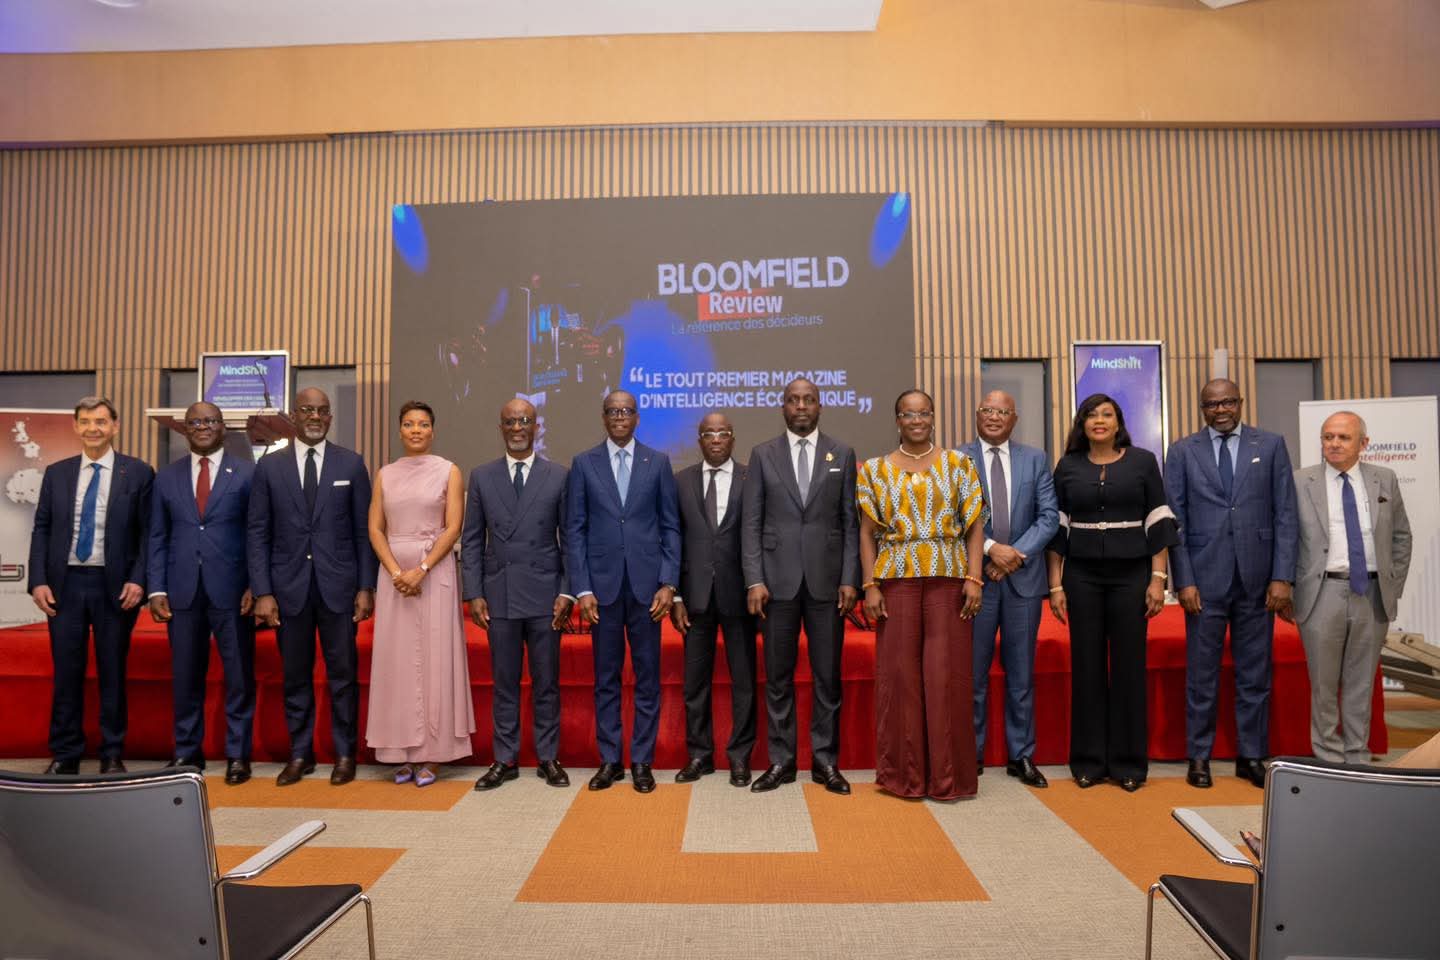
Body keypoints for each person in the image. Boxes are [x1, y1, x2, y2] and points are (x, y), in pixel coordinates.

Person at [1164, 378, 1298, 789]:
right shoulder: (1182, 451)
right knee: (1201, 675)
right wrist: (1184, 580)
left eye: (1227, 402)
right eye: (1211, 404)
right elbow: (1175, 521)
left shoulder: (1270, 445)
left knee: (1255, 674)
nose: (1220, 410)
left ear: (1240, 403)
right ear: (1201, 408)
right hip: (1203, 582)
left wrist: (1282, 576)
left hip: (1258, 580)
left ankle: (1251, 755)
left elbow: (1286, 514)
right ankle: (1199, 756)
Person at [858, 390, 987, 800]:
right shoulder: (874, 470)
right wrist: (869, 585)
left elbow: (975, 526)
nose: (916, 420)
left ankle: (948, 780)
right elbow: (866, 533)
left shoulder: (959, 464)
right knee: (900, 680)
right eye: (908, 414)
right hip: (895, 579)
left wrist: (975, 577)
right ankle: (906, 778)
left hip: (949, 578)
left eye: (923, 413)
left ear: (933, 418)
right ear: (897, 420)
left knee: (945, 677)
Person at [1046, 393, 1177, 792]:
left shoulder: (1143, 462)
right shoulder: (1068, 466)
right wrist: (1055, 584)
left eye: (1107, 414)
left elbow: (1159, 519)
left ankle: (1128, 764)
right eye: (1091, 415)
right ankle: (1088, 762)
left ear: (1118, 422)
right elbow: (1057, 529)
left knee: (1128, 668)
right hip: (1081, 577)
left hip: (1132, 576)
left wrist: (1158, 578)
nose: (1099, 421)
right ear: (1082, 424)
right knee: (1086, 668)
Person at [248, 388, 376, 787]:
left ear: (330, 417)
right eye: (307, 410)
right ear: (295, 416)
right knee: (295, 677)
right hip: (288, 590)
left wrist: (366, 586)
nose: (315, 416)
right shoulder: (270, 467)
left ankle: (344, 754)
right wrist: (263, 591)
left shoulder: (351, 463)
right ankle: (300, 754)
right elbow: (258, 532)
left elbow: (363, 532)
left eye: (322, 411)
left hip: (339, 589)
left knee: (343, 676)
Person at [741, 377, 859, 795]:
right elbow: (751, 523)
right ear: (784, 407)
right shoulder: (762, 455)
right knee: (778, 678)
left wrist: (850, 578)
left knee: (827, 677)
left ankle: (825, 762)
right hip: (776, 584)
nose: (802, 406)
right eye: (794, 400)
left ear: (820, 405)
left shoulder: (841, 453)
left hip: (828, 583)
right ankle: (782, 761)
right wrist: (754, 579)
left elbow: (850, 523)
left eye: (809, 399)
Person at [28, 397, 154, 775]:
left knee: (112, 671)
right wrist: (38, 580)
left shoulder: (138, 472)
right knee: (67, 672)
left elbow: (149, 534)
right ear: (76, 427)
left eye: (100, 421)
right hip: (64, 585)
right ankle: (65, 753)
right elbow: (42, 528)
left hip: (115, 587)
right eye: (85, 422)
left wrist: (139, 579)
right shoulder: (57, 473)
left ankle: (111, 752)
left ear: (115, 426)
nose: (92, 428)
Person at [565, 390, 681, 794]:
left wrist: (669, 583)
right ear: (603, 417)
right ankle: (611, 760)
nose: (619, 417)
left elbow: (671, 527)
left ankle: (642, 761)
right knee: (605, 678)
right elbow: (575, 531)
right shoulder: (583, 463)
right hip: (601, 590)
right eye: (613, 411)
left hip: (649, 590)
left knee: (648, 678)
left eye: (626, 411)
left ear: (637, 418)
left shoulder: (658, 462)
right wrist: (581, 587)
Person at [462, 398, 574, 791]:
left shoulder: (558, 475)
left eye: (524, 420)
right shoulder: (482, 476)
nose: (517, 427)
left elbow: (570, 539)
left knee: (547, 683)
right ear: (501, 427)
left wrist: (567, 591)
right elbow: (472, 540)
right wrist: (473, 591)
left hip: (546, 595)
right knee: (505, 682)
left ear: (535, 426)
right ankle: (505, 759)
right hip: (500, 595)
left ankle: (548, 757)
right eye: (510, 421)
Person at [365, 401, 474, 786]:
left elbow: (453, 527)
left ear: (432, 430)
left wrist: (422, 569)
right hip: (394, 576)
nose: (416, 430)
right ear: (400, 430)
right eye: (409, 424)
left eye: (423, 424)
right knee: (396, 662)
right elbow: (375, 528)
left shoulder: (449, 470)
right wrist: (397, 572)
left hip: (435, 572)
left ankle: (434, 753)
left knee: (435, 659)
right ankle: (399, 751)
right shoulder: (385, 474)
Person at [147, 402, 256, 785]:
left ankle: (238, 755)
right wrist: (156, 587)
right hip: (182, 590)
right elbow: (157, 536)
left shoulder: (247, 472)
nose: (203, 426)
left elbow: (257, 533)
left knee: (239, 677)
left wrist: (255, 585)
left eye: (210, 421)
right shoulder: (167, 476)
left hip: (233, 590)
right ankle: (186, 752)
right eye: (195, 421)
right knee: (185, 676)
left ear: (222, 427)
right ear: (185, 429)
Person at [1293, 411, 1411, 764]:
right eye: (1328, 437)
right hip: (1321, 594)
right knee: (1323, 684)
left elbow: (1401, 537)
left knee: (1362, 683)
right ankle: (1328, 759)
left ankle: (1357, 757)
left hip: (1372, 594)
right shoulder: (1300, 481)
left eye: (1343, 437)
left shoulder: (1384, 479)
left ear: (1364, 443)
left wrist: (1392, 586)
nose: (1334, 444)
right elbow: (1287, 539)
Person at [962, 391, 1059, 788]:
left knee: (1021, 675)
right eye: (987, 409)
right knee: (973, 675)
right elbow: (954, 516)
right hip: (976, 581)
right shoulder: (957, 459)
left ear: (1014, 419)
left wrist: (1013, 554)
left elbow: (1049, 517)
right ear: (977, 415)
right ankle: (971, 753)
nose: (994, 416)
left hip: (1023, 581)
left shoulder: (1035, 459)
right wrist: (990, 549)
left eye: (1002, 411)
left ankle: (1021, 755)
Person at [671, 413, 758, 787]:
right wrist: (675, 593)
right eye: (709, 433)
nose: (717, 439)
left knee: (744, 682)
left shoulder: (751, 478)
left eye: (723, 433)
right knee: (695, 683)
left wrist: (758, 584)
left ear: (733, 438)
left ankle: (739, 757)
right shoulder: (681, 481)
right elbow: (673, 539)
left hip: (740, 595)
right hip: (694, 597)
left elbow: (758, 534)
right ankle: (699, 755)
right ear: (700, 440)